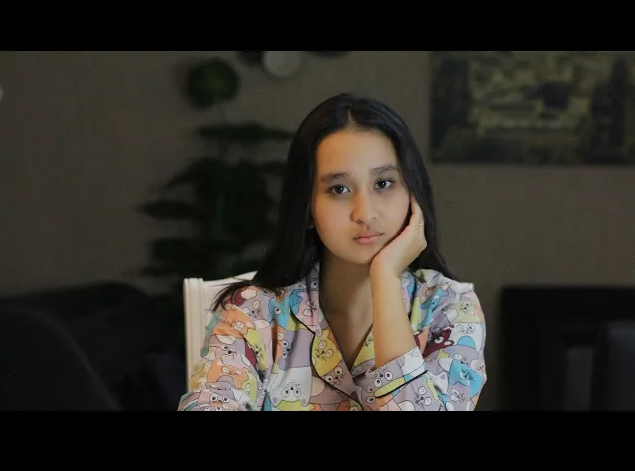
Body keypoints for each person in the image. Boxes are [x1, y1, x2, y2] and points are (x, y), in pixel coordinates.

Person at [178, 93, 487, 411]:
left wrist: (385, 279)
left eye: (383, 183)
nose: (365, 213)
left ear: (413, 193)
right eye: (339, 189)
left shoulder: (449, 309)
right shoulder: (253, 313)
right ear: (307, 208)